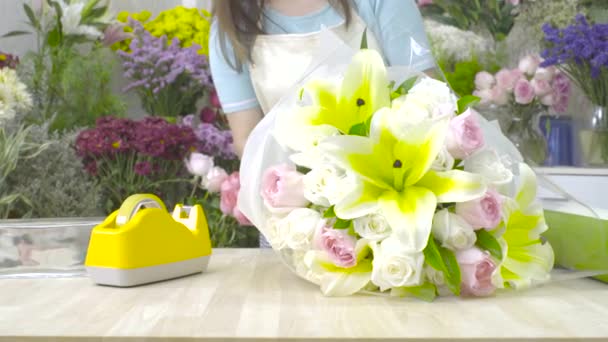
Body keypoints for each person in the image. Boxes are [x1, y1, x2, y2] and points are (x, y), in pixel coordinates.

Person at [209, 0, 436, 157]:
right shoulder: (232, 25)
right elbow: (248, 139)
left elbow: (428, 97)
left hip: (396, 168)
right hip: (299, 205)